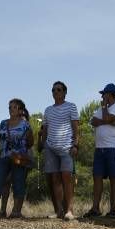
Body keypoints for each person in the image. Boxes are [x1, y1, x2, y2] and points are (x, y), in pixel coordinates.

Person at [0, 99, 34, 218]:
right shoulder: (3, 123)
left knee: (18, 181)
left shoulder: (25, 125)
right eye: (10, 107)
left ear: (21, 110)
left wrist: (19, 151)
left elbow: (30, 142)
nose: (11, 109)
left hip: (18, 158)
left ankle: (16, 211)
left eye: (14, 107)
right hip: (3, 156)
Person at [84, 83, 115, 218]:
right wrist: (107, 119)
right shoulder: (102, 108)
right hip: (100, 148)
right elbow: (93, 121)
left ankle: (113, 210)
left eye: (104, 94)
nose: (102, 97)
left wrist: (105, 116)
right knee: (97, 177)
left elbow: (108, 119)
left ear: (110, 94)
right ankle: (95, 208)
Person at [38, 81, 79, 220]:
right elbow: (45, 129)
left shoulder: (71, 107)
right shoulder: (48, 110)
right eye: (54, 90)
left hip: (66, 147)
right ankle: (59, 211)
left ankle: (69, 211)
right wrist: (43, 145)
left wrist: (76, 145)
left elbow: (76, 128)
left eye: (59, 90)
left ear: (65, 92)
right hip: (50, 148)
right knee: (55, 179)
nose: (56, 92)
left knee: (67, 179)